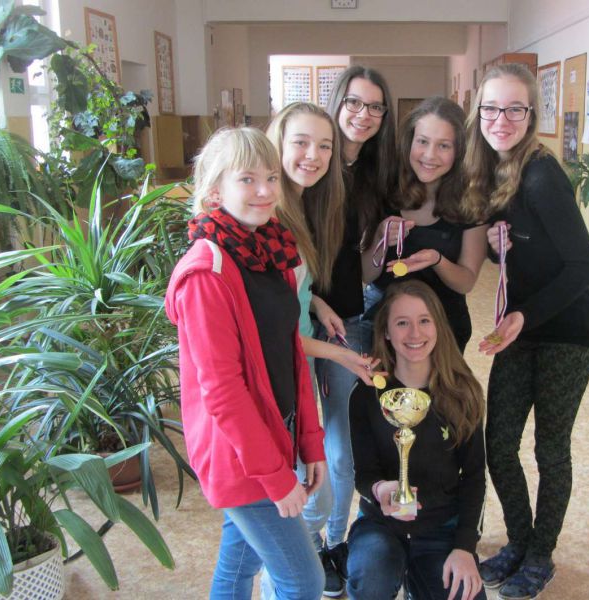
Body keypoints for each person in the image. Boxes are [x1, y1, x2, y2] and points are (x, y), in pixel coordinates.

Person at [164, 127, 326, 600]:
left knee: (239, 567)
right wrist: (275, 476)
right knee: (303, 581)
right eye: (247, 179)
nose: (265, 191)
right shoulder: (205, 272)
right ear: (215, 191)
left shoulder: (268, 251)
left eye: (271, 177)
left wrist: (310, 443)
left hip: (276, 435)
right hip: (243, 457)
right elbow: (224, 392)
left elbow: (290, 355)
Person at [462, 63, 589, 600]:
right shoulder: (497, 169)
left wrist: (522, 317)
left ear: (531, 115)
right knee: (499, 444)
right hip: (524, 328)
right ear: (479, 112)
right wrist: (502, 250)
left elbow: (583, 265)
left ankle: (541, 554)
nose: (501, 119)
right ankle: (519, 541)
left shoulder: (541, 175)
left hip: (566, 335)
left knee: (550, 450)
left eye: (514, 109)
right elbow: (530, 249)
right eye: (491, 108)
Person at [266, 101, 379, 578]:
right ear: (277, 143)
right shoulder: (268, 213)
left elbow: (290, 288)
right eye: (301, 143)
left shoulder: (301, 203)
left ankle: (318, 552)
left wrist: (316, 303)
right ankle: (304, 556)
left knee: (323, 469)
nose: (313, 155)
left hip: (303, 353)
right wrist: (342, 355)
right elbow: (275, 332)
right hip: (281, 370)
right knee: (310, 494)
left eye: (325, 146)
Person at [309, 65, 399, 596]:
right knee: (310, 443)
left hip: (350, 319)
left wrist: (384, 250)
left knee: (341, 449)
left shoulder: (371, 175)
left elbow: (360, 265)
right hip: (305, 317)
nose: (364, 115)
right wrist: (313, 299)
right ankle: (306, 545)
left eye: (375, 107)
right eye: (355, 103)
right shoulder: (311, 166)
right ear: (338, 101)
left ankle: (333, 546)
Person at [346, 280, 486, 600]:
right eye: (402, 323)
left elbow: (475, 475)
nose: (415, 333)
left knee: (464, 593)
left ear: (438, 326)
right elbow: (363, 474)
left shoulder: (462, 392)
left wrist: (465, 548)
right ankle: (362, 559)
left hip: (442, 529)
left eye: (424, 320)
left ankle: (419, 581)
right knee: (371, 579)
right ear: (385, 331)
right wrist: (381, 490)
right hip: (381, 525)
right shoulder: (367, 393)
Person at [362, 96, 487, 352]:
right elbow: (366, 275)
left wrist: (437, 260)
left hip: (445, 324)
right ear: (409, 142)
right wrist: (379, 239)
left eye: (444, 146)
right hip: (386, 326)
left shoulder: (472, 202)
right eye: (422, 141)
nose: (430, 155)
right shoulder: (384, 191)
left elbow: (466, 282)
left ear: (459, 151)